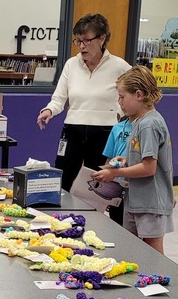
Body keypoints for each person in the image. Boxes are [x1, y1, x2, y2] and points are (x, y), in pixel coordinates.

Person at [36, 13, 131, 191]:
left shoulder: (120, 67)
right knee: (62, 176)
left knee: (97, 182)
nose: (81, 46)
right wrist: (49, 110)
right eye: (78, 41)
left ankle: (96, 217)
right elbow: (59, 98)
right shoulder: (71, 65)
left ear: (102, 38)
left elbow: (133, 100)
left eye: (86, 40)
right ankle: (58, 216)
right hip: (72, 130)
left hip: (105, 132)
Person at [92, 65, 174, 254]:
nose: (119, 102)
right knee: (132, 248)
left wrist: (115, 173)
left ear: (139, 94)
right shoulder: (137, 121)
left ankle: (157, 282)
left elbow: (149, 168)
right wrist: (127, 159)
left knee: (153, 253)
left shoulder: (149, 124)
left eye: (122, 97)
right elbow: (144, 155)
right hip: (136, 199)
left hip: (150, 201)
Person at [97, 113, 132, 226]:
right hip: (118, 188)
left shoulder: (147, 126)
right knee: (117, 225)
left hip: (137, 188)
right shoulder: (117, 128)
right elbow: (109, 159)